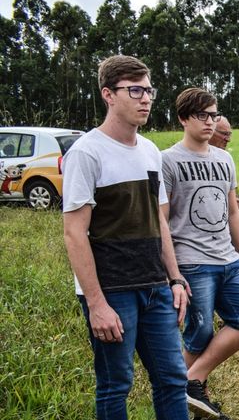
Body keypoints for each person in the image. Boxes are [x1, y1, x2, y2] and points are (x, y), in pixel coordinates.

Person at [62, 55, 189, 419]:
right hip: (113, 291)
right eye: (135, 90)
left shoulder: (150, 151)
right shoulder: (86, 152)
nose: (145, 99)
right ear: (108, 94)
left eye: (149, 90)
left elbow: (158, 219)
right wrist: (97, 304)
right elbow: (74, 233)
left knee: (172, 378)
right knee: (116, 384)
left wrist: (175, 278)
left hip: (155, 286)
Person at [162, 88, 239, 419]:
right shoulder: (168, 160)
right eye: (202, 116)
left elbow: (233, 212)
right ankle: (176, 396)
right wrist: (172, 272)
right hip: (192, 261)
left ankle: (191, 380)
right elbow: (161, 219)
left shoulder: (223, 159)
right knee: (200, 332)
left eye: (213, 115)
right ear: (183, 119)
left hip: (228, 259)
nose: (210, 122)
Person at [210, 115, 239, 233]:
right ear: (210, 130)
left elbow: (231, 195)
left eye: (229, 134)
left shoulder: (225, 159)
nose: (228, 139)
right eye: (224, 134)